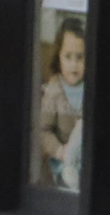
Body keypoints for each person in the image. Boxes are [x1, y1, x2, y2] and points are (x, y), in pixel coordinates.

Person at [35, 16, 88, 189]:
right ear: (58, 57)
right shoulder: (55, 90)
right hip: (59, 164)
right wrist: (60, 151)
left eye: (80, 58)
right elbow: (43, 131)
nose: (74, 64)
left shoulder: (89, 87)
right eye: (68, 57)